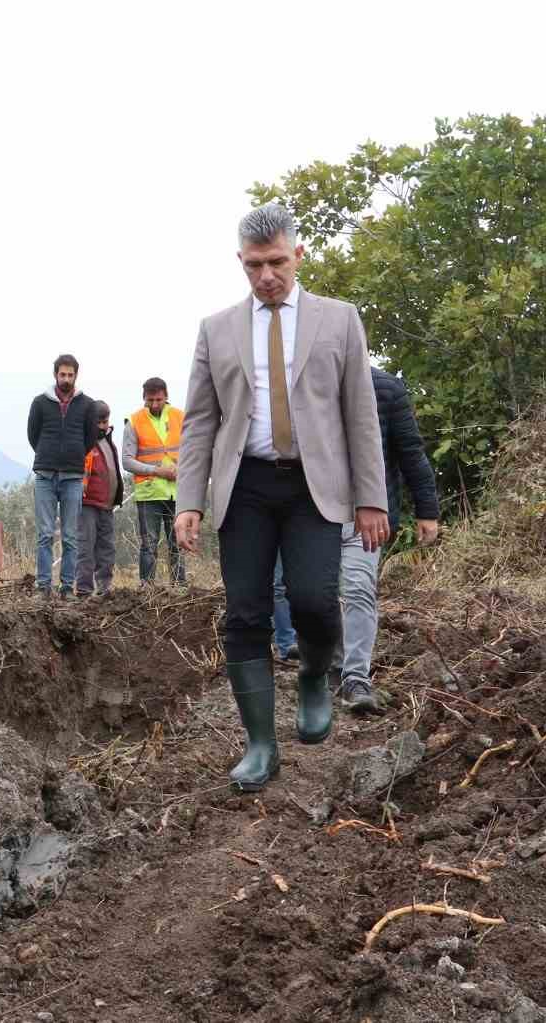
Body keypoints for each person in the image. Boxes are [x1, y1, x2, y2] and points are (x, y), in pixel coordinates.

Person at [174, 202, 388, 792]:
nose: (265, 276)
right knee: (245, 612)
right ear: (240, 264)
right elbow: (199, 422)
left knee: (316, 601)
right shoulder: (216, 329)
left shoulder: (339, 320)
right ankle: (261, 746)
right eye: (252, 266)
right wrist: (189, 499)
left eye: (275, 262)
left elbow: (361, 414)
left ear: (298, 254)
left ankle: (316, 675)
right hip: (244, 485)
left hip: (314, 486)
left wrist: (373, 497)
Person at [273, 367, 441, 714]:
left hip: (369, 514)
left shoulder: (387, 389)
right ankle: (329, 666)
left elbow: (410, 450)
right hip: (314, 513)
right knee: (316, 595)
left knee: (359, 588)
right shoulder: (305, 385)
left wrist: (427, 509)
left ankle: (356, 678)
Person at [27, 354, 100, 598]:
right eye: (62, 374)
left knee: (70, 536)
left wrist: (74, 455)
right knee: (45, 534)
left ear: (76, 376)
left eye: (70, 375)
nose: (66, 379)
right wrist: (48, 454)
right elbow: (33, 435)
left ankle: (67, 588)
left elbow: (90, 439)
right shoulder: (40, 403)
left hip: (72, 477)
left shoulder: (87, 405)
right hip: (45, 475)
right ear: (55, 375)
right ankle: (44, 587)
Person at [122, 377, 186, 585]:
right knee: (149, 544)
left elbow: (193, 450)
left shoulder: (180, 417)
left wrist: (182, 468)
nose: (155, 404)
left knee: (177, 542)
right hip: (149, 493)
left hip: (177, 491)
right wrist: (158, 471)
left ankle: (179, 587)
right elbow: (127, 461)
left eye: (159, 399)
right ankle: (147, 588)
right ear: (144, 398)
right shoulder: (134, 421)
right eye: (151, 400)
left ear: (166, 396)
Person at [77, 401, 123, 596]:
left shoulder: (108, 441)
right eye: (99, 422)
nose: (103, 426)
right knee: (86, 547)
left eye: (105, 421)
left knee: (107, 548)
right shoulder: (83, 442)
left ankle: (104, 589)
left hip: (107, 505)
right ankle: (84, 590)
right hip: (87, 504)